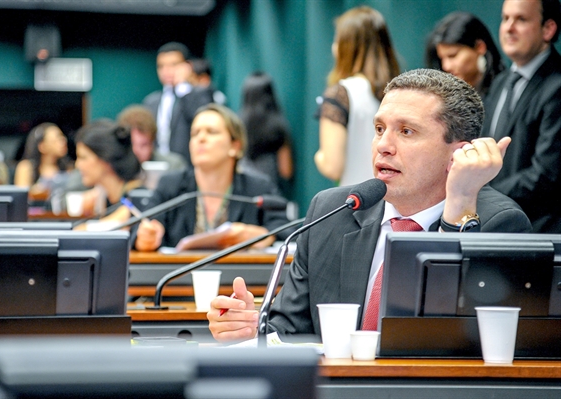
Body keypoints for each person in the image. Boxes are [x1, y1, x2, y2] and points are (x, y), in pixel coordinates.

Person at [207, 68, 532, 343]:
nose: (383, 146)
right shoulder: (333, 211)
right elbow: (289, 332)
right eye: (379, 129)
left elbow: (452, 344)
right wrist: (251, 329)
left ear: (458, 154)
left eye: (406, 131)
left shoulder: (498, 224)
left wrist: (459, 206)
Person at [134, 103, 291, 251]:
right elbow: (141, 229)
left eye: (211, 132)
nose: (200, 139)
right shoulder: (171, 185)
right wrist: (145, 238)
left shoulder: (258, 187)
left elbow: (287, 231)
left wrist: (263, 235)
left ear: (235, 146)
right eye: (194, 133)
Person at [481, 0, 561, 233]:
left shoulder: (557, 85)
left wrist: (480, 191)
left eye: (521, 19)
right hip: (497, 225)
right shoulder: (500, 83)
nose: (508, 27)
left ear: (548, 29)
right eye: (505, 18)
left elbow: (546, 174)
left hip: (540, 232)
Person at [314, 6, 400, 186]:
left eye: (338, 40)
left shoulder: (341, 93)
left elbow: (332, 166)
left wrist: (319, 156)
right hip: (395, 201)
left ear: (347, 48)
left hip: (359, 202)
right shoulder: (399, 92)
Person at [142, 42, 214, 163]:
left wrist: (182, 86)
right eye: (161, 66)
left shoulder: (200, 95)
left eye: (173, 65)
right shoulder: (151, 102)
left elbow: (203, 120)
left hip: (188, 167)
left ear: (187, 66)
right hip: (157, 166)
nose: (166, 71)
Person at [72, 120, 143, 228]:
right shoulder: (101, 197)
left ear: (105, 158)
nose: (78, 165)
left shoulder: (136, 199)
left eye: (83, 157)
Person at [426, 11, 506, 98]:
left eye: (453, 56)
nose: (446, 66)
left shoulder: (505, 89)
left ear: (479, 47)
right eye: (441, 58)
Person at [238, 72, 294, 195]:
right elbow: (286, 170)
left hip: (243, 193)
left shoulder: (238, 126)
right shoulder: (279, 126)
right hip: (269, 195)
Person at [117, 104, 187, 169]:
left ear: (153, 143)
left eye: (144, 145)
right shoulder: (113, 168)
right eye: (131, 144)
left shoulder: (173, 167)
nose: (136, 151)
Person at [14, 122, 73, 196]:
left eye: (62, 137)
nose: (64, 141)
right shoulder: (27, 167)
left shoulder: (69, 167)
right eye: (58, 138)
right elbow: (21, 197)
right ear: (42, 146)